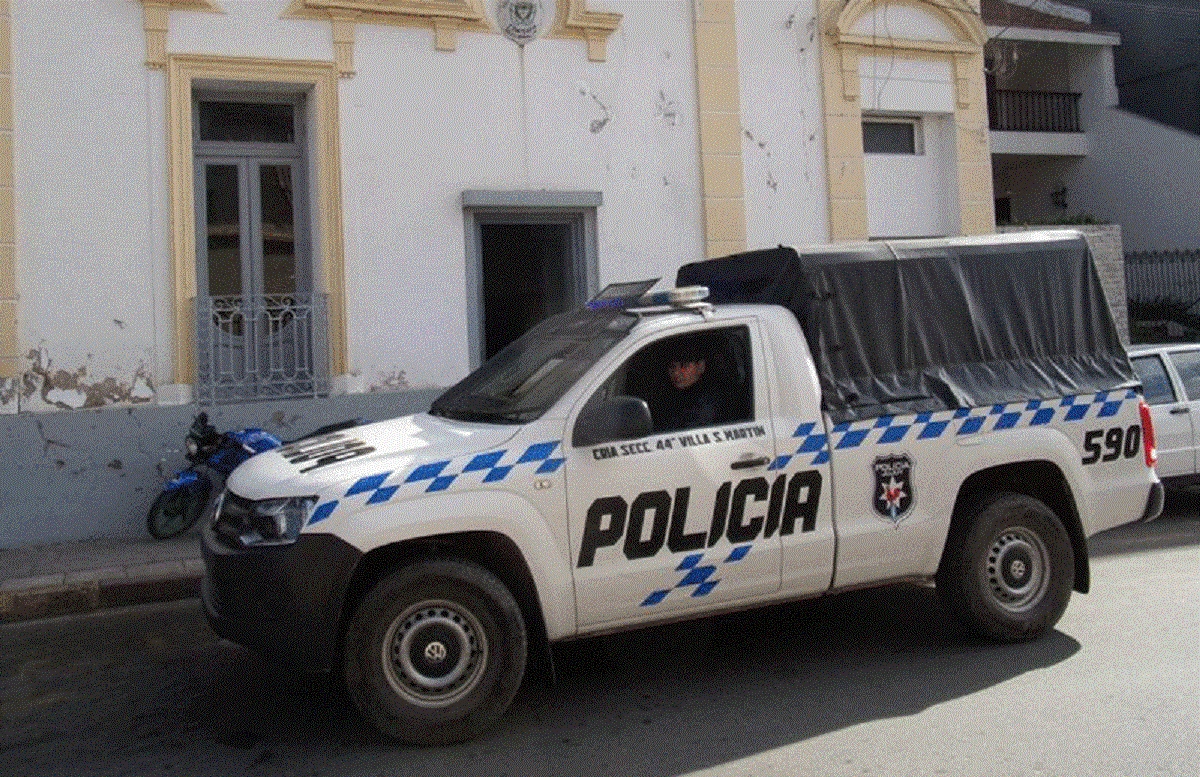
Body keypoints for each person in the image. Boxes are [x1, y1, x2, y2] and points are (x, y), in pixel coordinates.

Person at [654, 338, 724, 433]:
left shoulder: (707, 401)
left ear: (701, 366)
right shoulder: (670, 396)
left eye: (684, 366)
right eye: (672, 367)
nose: (676, 372)